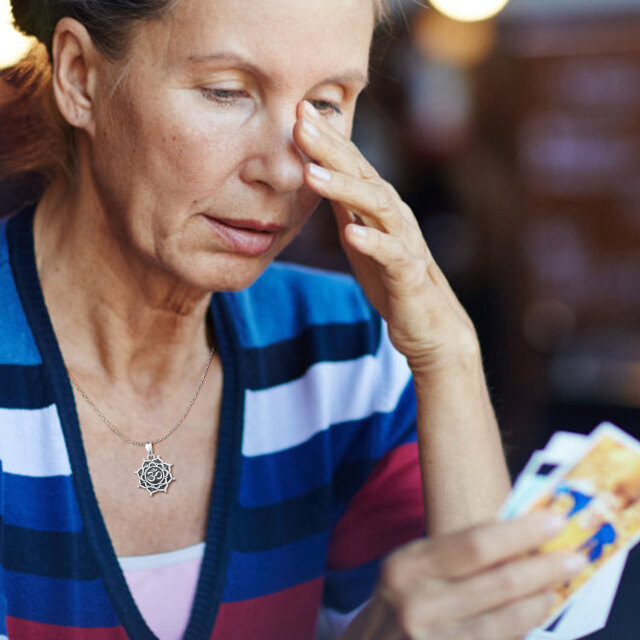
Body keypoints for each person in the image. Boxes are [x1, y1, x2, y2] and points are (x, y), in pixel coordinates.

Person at [0, 0, 587, 638]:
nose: (284, 171)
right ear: (80, 75)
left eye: (328, 103)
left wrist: (449, 354)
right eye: (226, 92)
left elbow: (488, 617)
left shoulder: (346, 351)